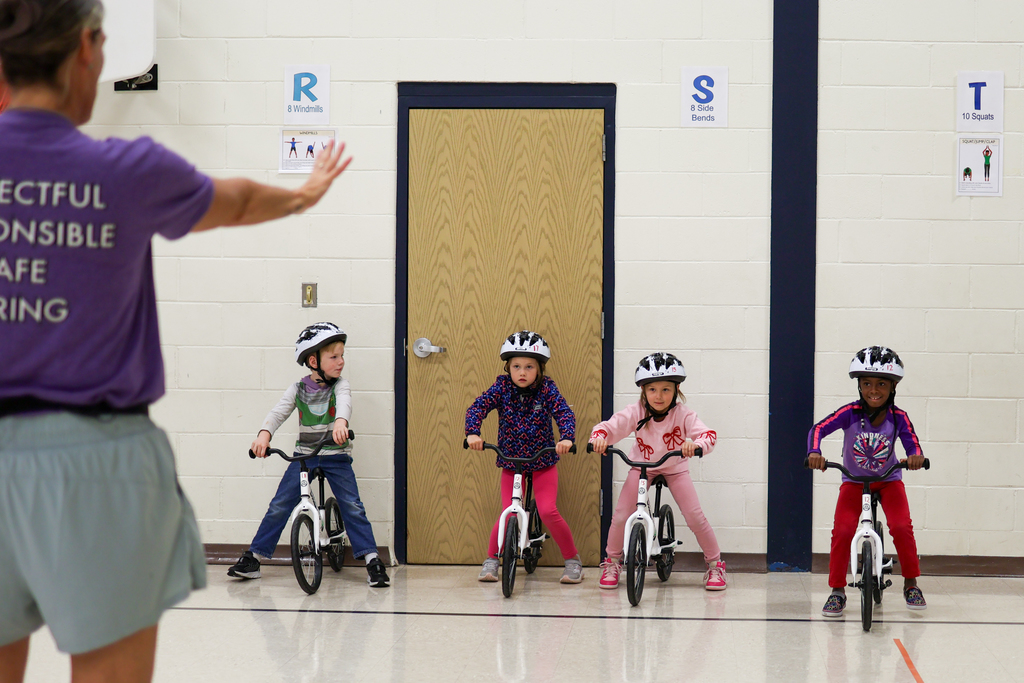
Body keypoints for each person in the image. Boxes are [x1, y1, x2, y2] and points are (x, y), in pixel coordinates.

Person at [0, 1, 351, 681]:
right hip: (96, 464)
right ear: (86, 47)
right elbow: (241, 199)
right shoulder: (125, 169)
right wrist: (305, 194)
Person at [228, 322, 390, 587]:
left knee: (352, 506)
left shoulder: (340, 386)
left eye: (342, 356)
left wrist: (340, 423)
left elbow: (345, 404)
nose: (341, 362)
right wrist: (264, 435)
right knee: (279, 504)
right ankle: (254, 557)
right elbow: (278, 413)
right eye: (334, 357)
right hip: (305, 456)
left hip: (336, 456)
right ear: (313, 361)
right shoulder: (298, 389)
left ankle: (372, 559)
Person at [589, 353, 726, 591]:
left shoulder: (683, 415)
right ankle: (612, 561)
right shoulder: (636, 412)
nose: (659, 396)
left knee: (695, 516)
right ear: (643, 390)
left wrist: (695, 445)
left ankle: (715, 564)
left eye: (665, 390)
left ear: (676, 390)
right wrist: (599, 437)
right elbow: (611, 426)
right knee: (621, 514)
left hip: (675, 467)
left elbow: (708, 435)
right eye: (652, 389)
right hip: (642, 466)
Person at [807, 346, 927, 618]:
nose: (874, 390)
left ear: (893, 387)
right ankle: (837, 590)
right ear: (859, 386)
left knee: (901, 526)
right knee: (842, 531)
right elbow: (818, 429)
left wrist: (915, 457)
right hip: (854, 481)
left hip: (888, 480)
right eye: (867, 384)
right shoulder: (849, 413)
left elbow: (913, 444)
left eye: (882, 384)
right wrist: (815, 452)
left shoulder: (898, 417)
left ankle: (911, 583)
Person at [465, 331, 584, 584]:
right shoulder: (502, 387)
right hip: (511, 461)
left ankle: (572, 560)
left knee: (548, 510)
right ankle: (491, 560)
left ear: (539, 369)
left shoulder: (547, 389)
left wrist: (566, 438)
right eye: (516, 366)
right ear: (507, 367)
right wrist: (472, 432)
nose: (522, 372)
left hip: (542, 461)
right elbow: (478, 407)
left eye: (529, 367)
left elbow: (564, 413)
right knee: (508, 511)